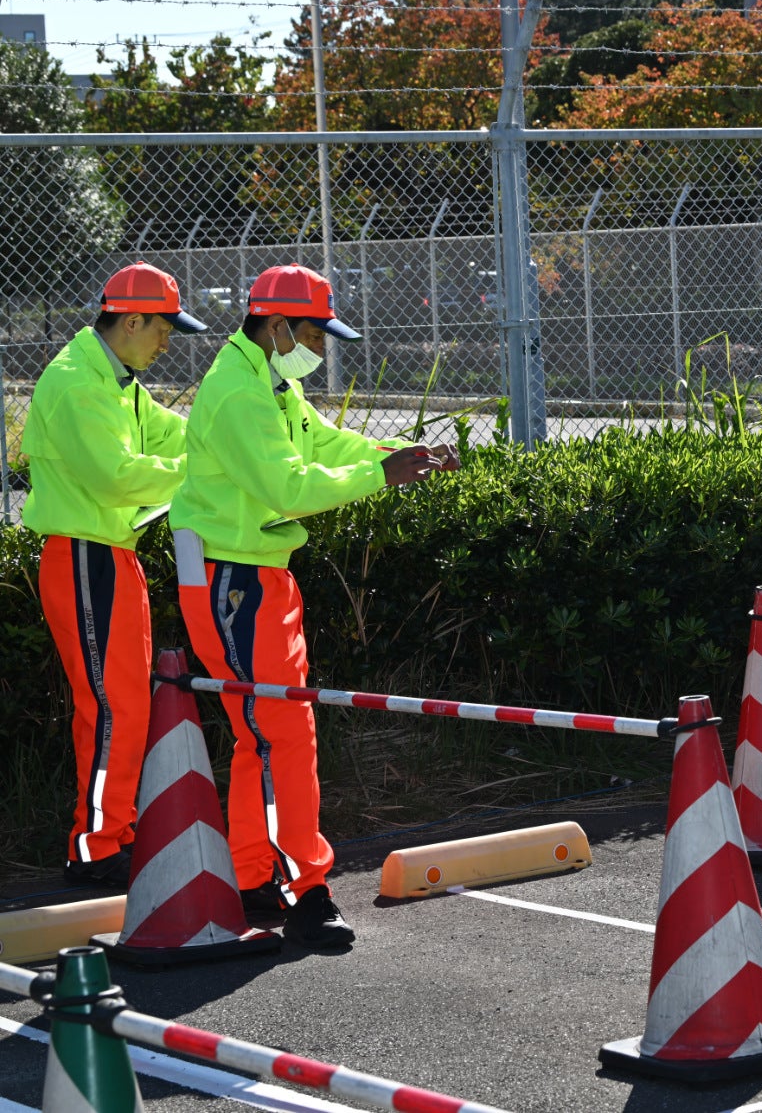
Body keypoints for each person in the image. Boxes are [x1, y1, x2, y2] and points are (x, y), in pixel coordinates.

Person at [169, 263, 457, 949]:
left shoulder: (269, 381)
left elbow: (324, 446)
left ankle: (252, 877)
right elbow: (286, 487)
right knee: (280, 734)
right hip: (231, 576)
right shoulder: (239, 393)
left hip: (251, 572)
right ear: (277, 326)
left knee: (262, 736)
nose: (322, 348)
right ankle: (305, 890)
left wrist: (396, 454)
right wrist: (380, 473)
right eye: (315, 334)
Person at [21, 262, 207, 888]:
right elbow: (116, 476)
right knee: (110, 708)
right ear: (132, 321)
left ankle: (112, 833)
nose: (167, 343)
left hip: (107, 554)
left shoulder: (114, 379)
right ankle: (94, 847)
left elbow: (178, 435)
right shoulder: (78, 383)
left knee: (123, 706)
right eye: (163, 330)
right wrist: (200, 473)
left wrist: (225, 445)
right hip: (83, 556)